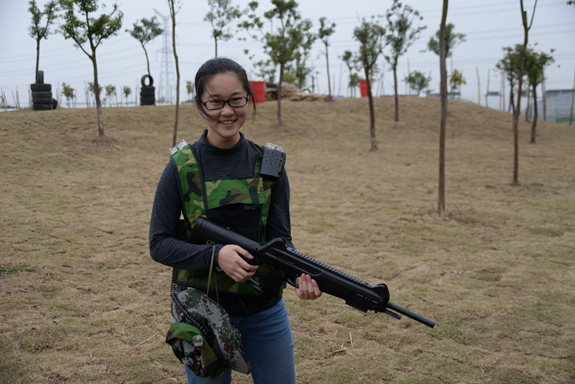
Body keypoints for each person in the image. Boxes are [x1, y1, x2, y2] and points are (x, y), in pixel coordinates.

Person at [149, 57, 322, 384]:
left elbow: (281, 240)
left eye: (236, 100)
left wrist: (299, 276)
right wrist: (216, 256)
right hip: (202, 312)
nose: (227, 111)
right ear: (200, 105)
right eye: (215, 101)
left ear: (249, 99)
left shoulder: (271, 164)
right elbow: (159, 244)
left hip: (264, 312)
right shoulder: (182, 166)